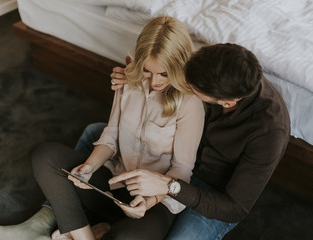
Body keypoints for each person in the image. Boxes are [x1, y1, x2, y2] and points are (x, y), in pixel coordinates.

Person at [91, 43, 290, 239]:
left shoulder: (269, 132)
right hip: (173, 153)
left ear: (227, 103)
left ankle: (110, 225)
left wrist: (170, 185)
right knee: (93, 132)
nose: (182, 84)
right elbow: (165, 63)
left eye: (191, 88)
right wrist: (138, 76)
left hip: (213, 190)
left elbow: (234, 208)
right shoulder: (208, 65)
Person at [31, 16, 205, 240]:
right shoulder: (128, 81)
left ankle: (94, 229)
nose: (154, 82)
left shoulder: (190, 104)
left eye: (164, 73)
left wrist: (149, 200)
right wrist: (90, 167)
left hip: (153, 203)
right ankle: (86, 235)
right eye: (147, 71)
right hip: (114, 183)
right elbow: (111, 136)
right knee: (45, 156)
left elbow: (182, 169)